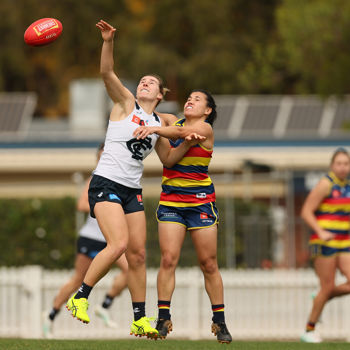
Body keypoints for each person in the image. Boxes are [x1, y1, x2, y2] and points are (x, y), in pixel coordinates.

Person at [66, 20, 200, 339]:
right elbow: (106, 73)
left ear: (160, 93)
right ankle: (80, 296)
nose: (144, 83)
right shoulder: (126, 104)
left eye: (151, 82)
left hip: (131, 191)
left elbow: (168, 158)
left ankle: (139, 318)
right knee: (119, 244)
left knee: (138, 255)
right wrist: (108, 42)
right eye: (142, 80)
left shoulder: (157, 122)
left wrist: (190, 143)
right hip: (106, 185)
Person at [133, 89, 233, 343]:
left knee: (208, 263)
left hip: (200, 204)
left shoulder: (205, 129)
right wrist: (150, 94)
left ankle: (219, 321)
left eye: (197, 99)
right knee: (168, 259)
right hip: (171, 202)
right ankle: (163, 317)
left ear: (208, 111)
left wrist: (155, 130)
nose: (190, 100)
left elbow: (178, 133)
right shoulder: (170, 121)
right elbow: (147, 114)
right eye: (189, 97)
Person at [42, 143, 128, 338]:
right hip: (92, 238)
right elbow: (82, 204)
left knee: (132, 268)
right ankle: (50, 315)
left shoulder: (121, 180)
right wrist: (105, 207)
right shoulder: (95, 180)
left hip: (110, 240)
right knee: (78, 279)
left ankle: (105, 305)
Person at [300, 148, 350, 343]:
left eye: (346, 164)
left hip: (344, 242)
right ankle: (309, 330)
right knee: (327, 286)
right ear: (332, 165)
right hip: (323, 244)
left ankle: (321, 297)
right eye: (339, 163)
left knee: (327, 290)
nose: (343, 167)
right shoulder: (325, 184)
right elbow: (306, 211)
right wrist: (320, 231)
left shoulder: (346, 186)